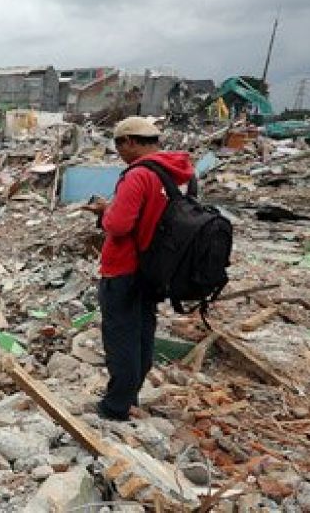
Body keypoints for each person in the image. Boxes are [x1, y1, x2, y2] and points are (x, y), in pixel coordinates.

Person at [84, 116, 195, 421]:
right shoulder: (180, 173)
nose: (118, 153)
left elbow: (119, 225)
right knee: (143, 334)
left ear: (130, 142)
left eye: (118, 146)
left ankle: (116, 407)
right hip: (156, 270)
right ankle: (130, 395)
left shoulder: (139, 175)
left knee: (121, 338)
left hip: (125, 268)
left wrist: (105, 214)